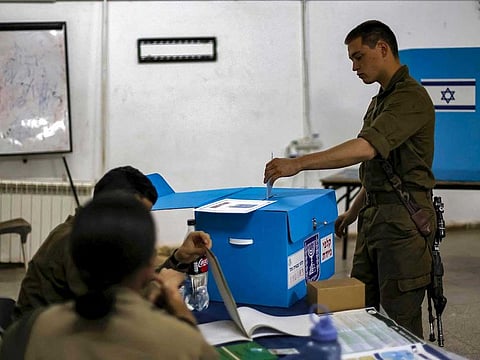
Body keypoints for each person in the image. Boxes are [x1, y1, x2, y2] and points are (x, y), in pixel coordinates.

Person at [264, 20, 435, 338]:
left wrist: (299, 163)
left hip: (402, 227)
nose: (354, 67)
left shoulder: (410, 98)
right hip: (376, 220)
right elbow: (381, 171)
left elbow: (366, 148)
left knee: (401, 321)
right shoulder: (381, 100)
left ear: (382, 48)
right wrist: (352, 214)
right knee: (361, 312)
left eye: (358, 57)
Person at [1, 193, 219, 359]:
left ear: (75, 256)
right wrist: (184, 319)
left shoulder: (26, 333)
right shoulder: (182, 343)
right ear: (148, 264)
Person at [14, 166, 212, 320]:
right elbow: (118, 311)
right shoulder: (78, 243)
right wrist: (165, 291)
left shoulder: (94, 234)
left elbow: (126, 288)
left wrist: (179, 258)